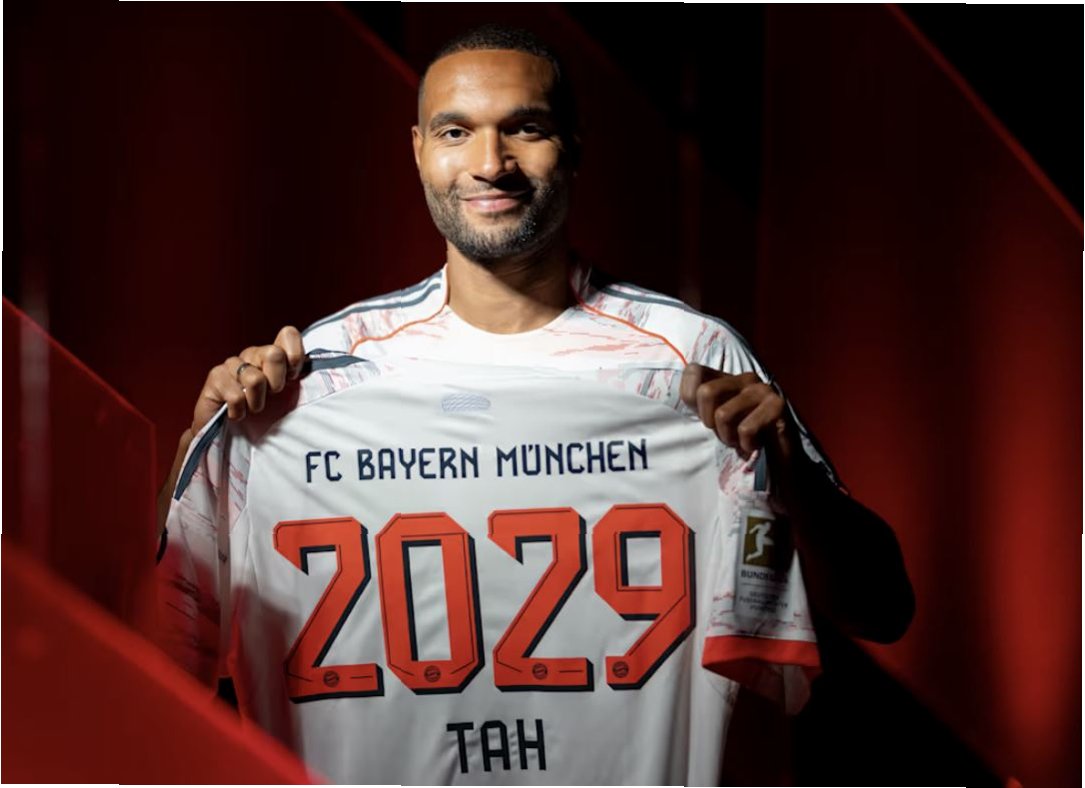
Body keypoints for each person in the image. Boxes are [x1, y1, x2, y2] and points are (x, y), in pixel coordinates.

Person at [156, 23, 913, 783]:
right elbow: (160, 631)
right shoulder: (318, 378)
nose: (491, 164)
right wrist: (202, 443)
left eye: (525, 128)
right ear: (417, 149)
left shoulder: (687, 358)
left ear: (574, 146)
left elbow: (882, 608)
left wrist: (790, 475)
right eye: (456, 132)